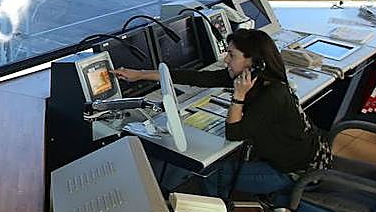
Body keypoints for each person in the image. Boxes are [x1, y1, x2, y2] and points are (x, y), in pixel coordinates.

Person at [114, 28, 330, 202]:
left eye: (232, 55)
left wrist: (238, 96)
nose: (226, 59)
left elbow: (234, 132)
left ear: (253, 62)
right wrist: (139, 75)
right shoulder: (258, 79)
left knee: (211, 174)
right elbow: (197, 78)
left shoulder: (272, 94)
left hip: (295, 173)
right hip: (301, 155)